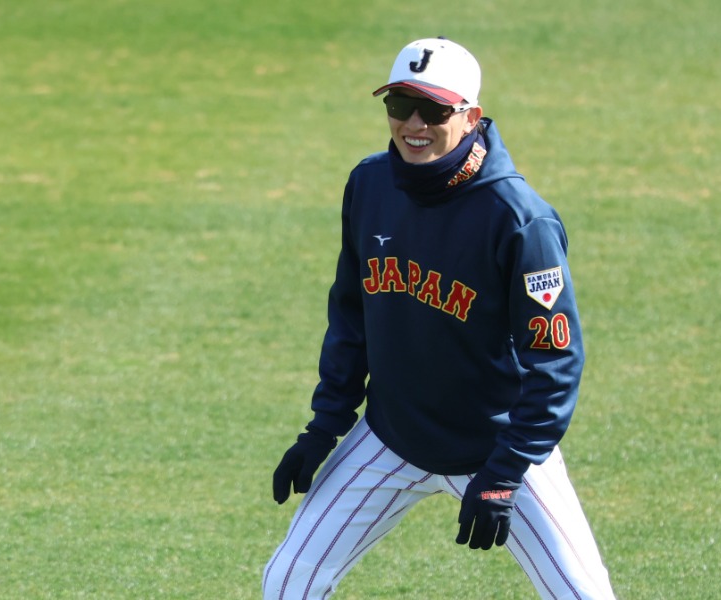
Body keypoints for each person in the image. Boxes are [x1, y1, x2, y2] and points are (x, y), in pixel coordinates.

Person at [262, 38, 616, 600]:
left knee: (584, 595)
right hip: (391, 437)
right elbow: (351, 317)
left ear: (471, 117)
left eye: (435, 110)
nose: (414, 124)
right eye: (401, 105)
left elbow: (555, 362)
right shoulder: (369, 184)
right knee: (287, 580)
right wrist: (324, 426)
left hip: (497, 447)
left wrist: (505, 472)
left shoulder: (519, 220)